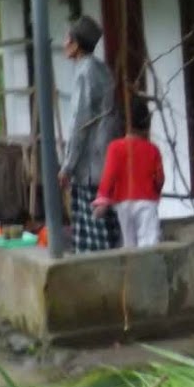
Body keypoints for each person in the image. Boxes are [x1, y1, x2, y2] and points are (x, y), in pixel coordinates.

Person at [59, 15, 121, 252]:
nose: (64, 43)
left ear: (76, 44)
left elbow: (80, 122)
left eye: (67, 39)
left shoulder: (85, 72)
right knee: (110, 229)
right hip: (105, 160)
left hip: (90, 166)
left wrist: (67, 165)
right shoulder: (100, 68)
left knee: (95, 237)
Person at [94, 98, 164, 249]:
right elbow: (160, 179)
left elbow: (109, 175)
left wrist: (102, 200)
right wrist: (157, 191)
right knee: (149, 242)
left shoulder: (114, 148)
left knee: (129, 243)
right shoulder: (153, 150)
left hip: (123, 203)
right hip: (147, 201)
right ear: (147, 122)